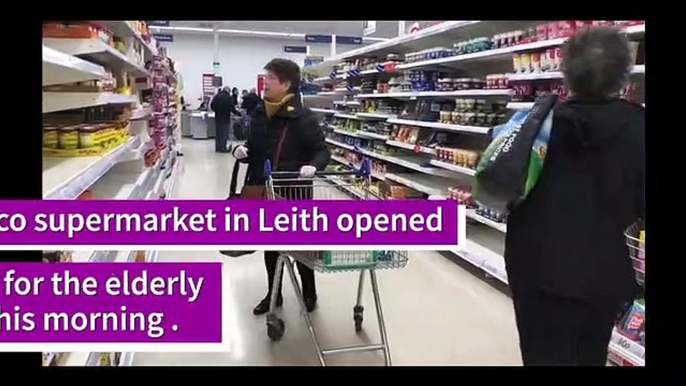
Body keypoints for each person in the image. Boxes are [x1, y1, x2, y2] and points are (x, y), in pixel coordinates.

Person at [504, 26, 644, 366]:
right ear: (622, 76)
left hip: (533, 268)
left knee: (540, 353)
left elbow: (503, 185)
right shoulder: (639, 128)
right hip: (600, 271)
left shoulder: (536, 122)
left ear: (566, 71)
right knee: (589, 354)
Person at [232, 58, 330, 315]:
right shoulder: (259, 112)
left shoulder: (303, 118)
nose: (265, 83)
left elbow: (321, 152)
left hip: (293, 192)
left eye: (271, 78)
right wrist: (241, 150)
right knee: (271, 248)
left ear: (286, 84)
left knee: (301, 247)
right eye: (265, 77)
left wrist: (314, 167)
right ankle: (273, 294)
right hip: (263, 190)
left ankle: (309, 292)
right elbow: (254, 146)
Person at [211, 86, 241, 153]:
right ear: (228, 91)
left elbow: (212, 105)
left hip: (218, 117)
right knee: (224, 133)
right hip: (225, 117)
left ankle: (217, 148)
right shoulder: (228, 98)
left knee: (218, 133)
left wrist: (216, 111)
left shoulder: (217, 96)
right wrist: (239, 114)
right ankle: (223, 148)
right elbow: (232, 108)